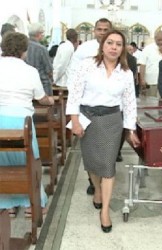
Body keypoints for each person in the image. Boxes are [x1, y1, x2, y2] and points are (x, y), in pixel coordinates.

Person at [66, 30, 140, 233]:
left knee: (108, 166)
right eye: (110, 43)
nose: (114, 47)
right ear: (102, 45)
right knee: (91, 162)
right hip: (87, 118)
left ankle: (105, 211)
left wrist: (130, 128)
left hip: (111, 121)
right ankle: (97, 189)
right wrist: (74, 120)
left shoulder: (125, 73)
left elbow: (129, 103)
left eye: (118, 44)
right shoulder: (87, 66)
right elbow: (75, 93)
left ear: (123, 48)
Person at [0, 32, 54, 217]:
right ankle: (33, 203)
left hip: (0, 119)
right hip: (21, 121)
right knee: (30, 161)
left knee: (3, 163)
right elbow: (41, 98)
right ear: (24, 50)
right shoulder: (29, 71)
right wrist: (51, 100)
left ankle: (7, 204)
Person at [67, 18, 112, 195]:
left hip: (108, 107)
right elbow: (73, 73)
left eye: (105, 29)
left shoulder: (114, 48)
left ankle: (103, 180)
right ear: (94, 31)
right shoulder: (84, 49)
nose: (102, 32)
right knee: (89, 148)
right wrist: (75, 102)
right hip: (86, 106)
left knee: (105, 148)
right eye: (99, 29)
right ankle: (93, 181)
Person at [25, 23, 54, 96]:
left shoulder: (23, 46)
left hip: (27, 83)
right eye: (42, 33)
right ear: (38, 34)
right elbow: (49, 69)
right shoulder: (41, 49)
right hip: (42, 83)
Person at [139, 30, 162, 97]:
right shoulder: (147, 49)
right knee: (151, 103)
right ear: (155, 38)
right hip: (150, 82)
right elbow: (142, 65)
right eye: (159, 40)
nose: (161, 42)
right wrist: (142, 80)